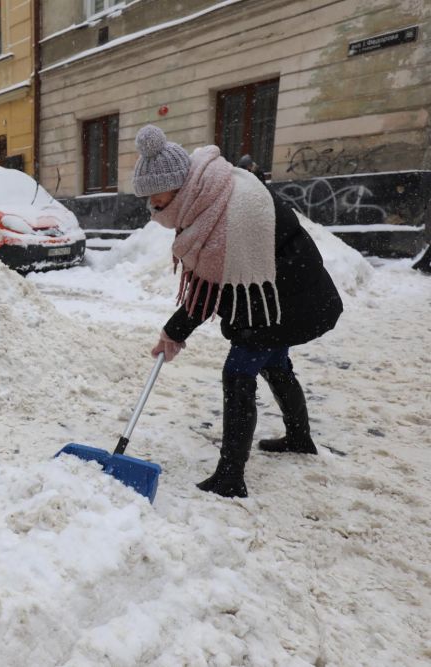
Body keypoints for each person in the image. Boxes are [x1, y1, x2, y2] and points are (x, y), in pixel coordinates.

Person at [133, 125, 343, 498]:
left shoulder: (229, 214)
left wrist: (174, 332)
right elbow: (211, 286)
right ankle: (299, 437)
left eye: (155, 197)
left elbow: (211, 290)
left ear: (178, 184)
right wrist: (174, 332)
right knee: (276, 363)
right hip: (278, 295)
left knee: (238, 372)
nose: (152, 207)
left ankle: (231, 476)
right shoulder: (209, 195)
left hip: (283, 300)